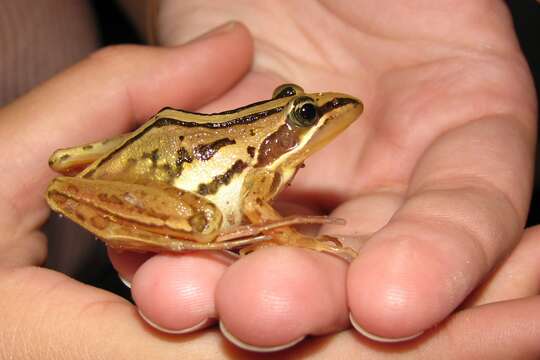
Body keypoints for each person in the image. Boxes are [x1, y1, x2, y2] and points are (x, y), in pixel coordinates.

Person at [0, 1, 538, 357]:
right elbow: (257, 212)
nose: (319, 115)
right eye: (303, 115)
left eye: (299, 107)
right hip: (166, 184)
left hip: (144, 156)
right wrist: (289, 235)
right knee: (209, 217)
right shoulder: (261, 172)